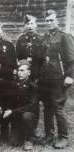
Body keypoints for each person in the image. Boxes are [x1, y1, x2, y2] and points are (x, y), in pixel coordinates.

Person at [38, 10, 74, 148]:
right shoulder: (45, 37)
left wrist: (70, 76)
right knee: (47, 108)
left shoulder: (64, 37)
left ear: (57, 20)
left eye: (52, 20)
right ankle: (49, 135)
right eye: (47, 20)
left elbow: (71, 60)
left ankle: (63, 137)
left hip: (59, 78)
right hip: (46, 79)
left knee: (58, 108)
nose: (49, 23)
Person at [16, 14, 43, 139]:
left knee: (35, 104)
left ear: (36, 25)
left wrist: (39, 75)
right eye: (27, 24)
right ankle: (21, 127)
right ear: (24, 26)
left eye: (32, 23)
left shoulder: (40, 40)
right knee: (23, 99)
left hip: (37, 75)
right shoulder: (21, 40)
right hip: (24, 74)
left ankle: (34, 129)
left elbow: (43, 60)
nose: (30, 26)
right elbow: (19, 58)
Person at [1, 59, 37, 151]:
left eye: (22, 70)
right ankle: (21, 133)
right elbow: (10, 101)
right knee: (14, 143)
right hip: (17, 117)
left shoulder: (33, 86)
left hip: (29, 115)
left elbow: (31, 106)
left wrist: (12, 111)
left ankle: (30, 139)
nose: (19, 73)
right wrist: (7, 109)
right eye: (18, 70)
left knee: (26, 116)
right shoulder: (14, 84)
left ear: (29, 72)